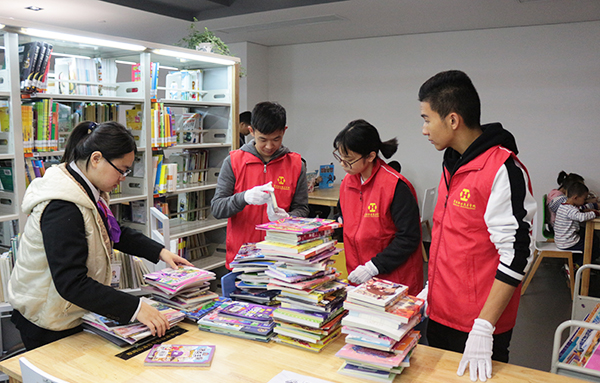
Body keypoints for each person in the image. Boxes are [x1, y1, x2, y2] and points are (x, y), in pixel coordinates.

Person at [8, 121, 193, 350]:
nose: (123, 177)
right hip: (47, 322)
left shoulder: (86, 188)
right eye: (121, 170)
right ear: (96, 159)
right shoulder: (62, 206)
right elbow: (71, 283)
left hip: (68, 312)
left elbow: (110, 230)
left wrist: (160, 252)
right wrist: (136, 308)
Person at [418, 70, 536, 382]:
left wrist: (484, 326)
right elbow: (452, 238)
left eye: (427, 119)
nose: (424, 130)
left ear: (452, 120)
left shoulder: (502, 168)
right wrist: (430, 289)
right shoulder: (452, 162)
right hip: (439, 313)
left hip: (478, 325)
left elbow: (517, 254)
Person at [211, 102, 309, 267]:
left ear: (284, 131)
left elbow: (303, 209)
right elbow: (217, 208)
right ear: (251, 131)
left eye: (276, 139)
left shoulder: (296, 164)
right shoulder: (233, 162)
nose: (269, 146)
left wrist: (288, 219)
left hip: (282, 259)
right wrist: (243, 198)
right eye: (262, 139)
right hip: (242, 259)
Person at [333, 119, 423, 296]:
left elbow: (409, 237)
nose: (343, 164)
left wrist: (373, 267)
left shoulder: (395, 186)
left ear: (370, 156)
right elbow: (342, 217)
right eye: (340, 157)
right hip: (359, 277)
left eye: (349, 160)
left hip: (393, 281)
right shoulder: (347, 183)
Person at [554, 181, 600, 265]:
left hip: (561, 241)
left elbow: (575, 213)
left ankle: (574, 263)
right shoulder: (570, 210)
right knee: (594, 248)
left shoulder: (563, 206)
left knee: (586, 235)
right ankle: (577, 265)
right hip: (569, 243)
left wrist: (583, 210)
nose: (585, 201)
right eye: (584, 199)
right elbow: (581, 217)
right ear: (575, 198)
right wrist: (595, 213)